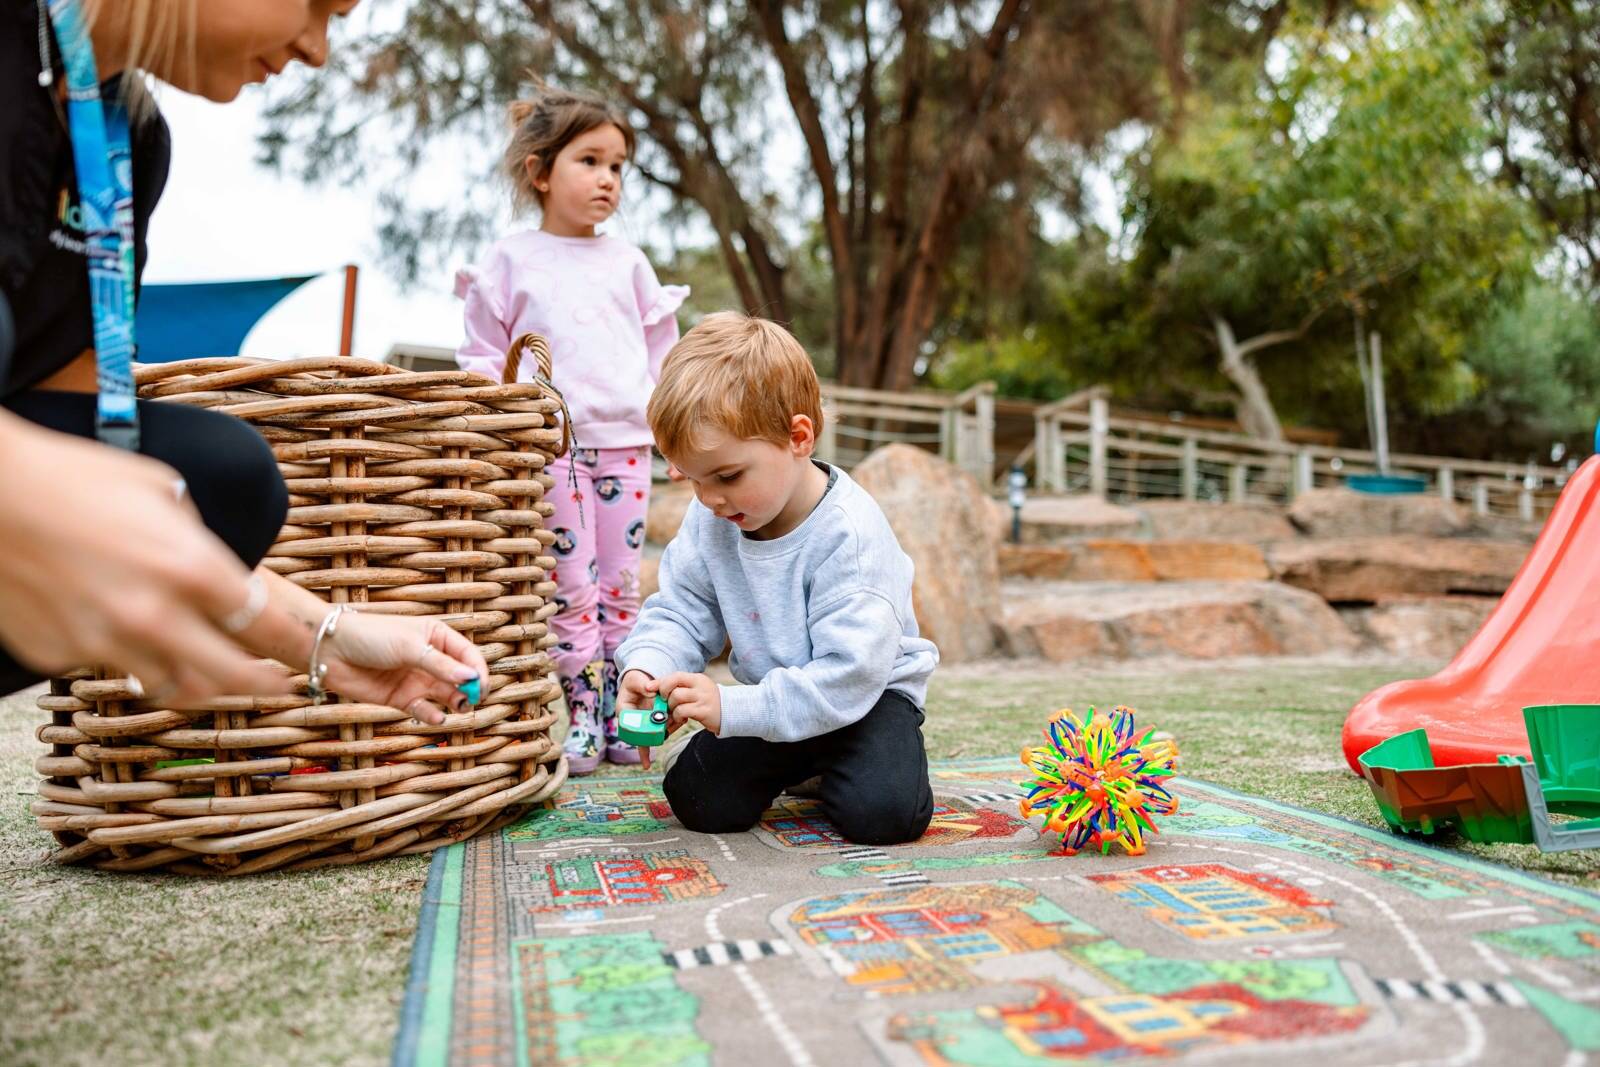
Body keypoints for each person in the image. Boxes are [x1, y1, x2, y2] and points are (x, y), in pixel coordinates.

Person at [0, 0, 488, 722]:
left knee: (220, 480)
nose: (320, 49)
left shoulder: (129, 141)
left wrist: (328, 639)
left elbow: (83, 466)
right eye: (320, 5)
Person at [615, 313, 939, 846]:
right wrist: (649, 667)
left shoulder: (849, 535)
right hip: (775, 699)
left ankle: (837, 765)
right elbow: (681, 609)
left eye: (727, 476)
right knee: (697, 797)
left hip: (866, 698)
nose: (710, 499)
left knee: (885, 813)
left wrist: (734, 708)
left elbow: (851, 672)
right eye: (693, 479)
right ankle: (807, 760)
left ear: (798, 436)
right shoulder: (714, 518)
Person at [455, 85, 688, 773]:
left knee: (622, 585)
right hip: (550, 450)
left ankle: (625, 710)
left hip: (626, 446)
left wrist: (676, 430)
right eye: (590, 160)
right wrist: (503, 411)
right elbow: (480, 353)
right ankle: (580, 712)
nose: (608, 179)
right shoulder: (509, 260)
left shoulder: (629, 263)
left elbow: (664, 356)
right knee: (570, 585)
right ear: (541, 171)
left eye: (618, 166)